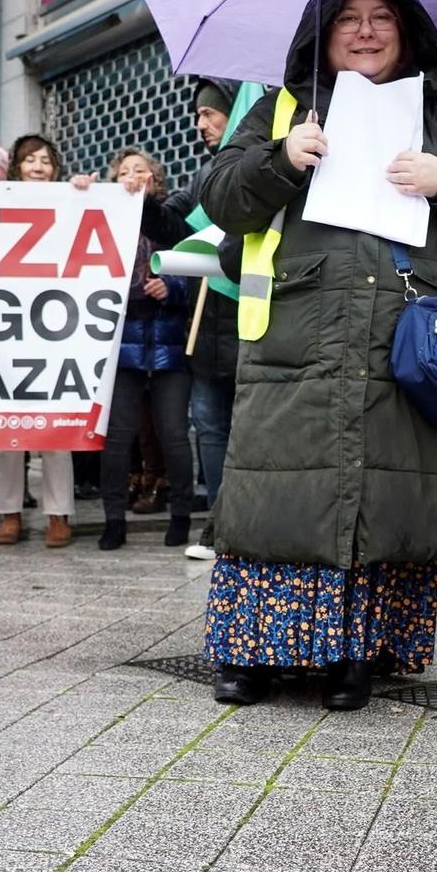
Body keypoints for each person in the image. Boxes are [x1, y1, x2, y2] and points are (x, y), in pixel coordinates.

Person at [200, 0, 437, 710]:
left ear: (408, 32)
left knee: (384, 489)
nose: (366, 31)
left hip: (404, 333)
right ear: (322, 31)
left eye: (382, 18)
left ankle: (356, 654)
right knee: (274, 489)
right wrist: (280, 160)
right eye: (348, 18)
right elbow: (221, 197)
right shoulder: (282, 106)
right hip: (295, 331)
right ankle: (250, 652)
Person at [98, 148, 196, 551]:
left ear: (155, 180)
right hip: (123, 348)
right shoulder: (103, 223)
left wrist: (171, 288)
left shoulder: (170, 222)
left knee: (173, 434)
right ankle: (113, 520)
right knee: (118, 436)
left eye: (142, 170)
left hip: (170, 347)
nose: (133, 175)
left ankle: (181, 517)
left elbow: (197, 271)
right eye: (124, 171)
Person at [0, 133, 76, 548]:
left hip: (56, 330)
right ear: (16, 168)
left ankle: (59, 514)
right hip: (6, 332)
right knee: (7, 429)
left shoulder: (74, 204)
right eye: (29, 160)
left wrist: (87, 194)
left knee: (56, 427)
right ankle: (9, 513)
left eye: (45, 161)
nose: (38, 167)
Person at [176, 78, 244, 563]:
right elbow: (175, 222)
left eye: (210, 114)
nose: (201, 124)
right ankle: (216, 521)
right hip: (207, 328)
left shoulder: (251, 166)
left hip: (250, 321)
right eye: (198, 115)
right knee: (210, 427)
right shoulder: (204, 176)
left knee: (246, 427)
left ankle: (243, 522)